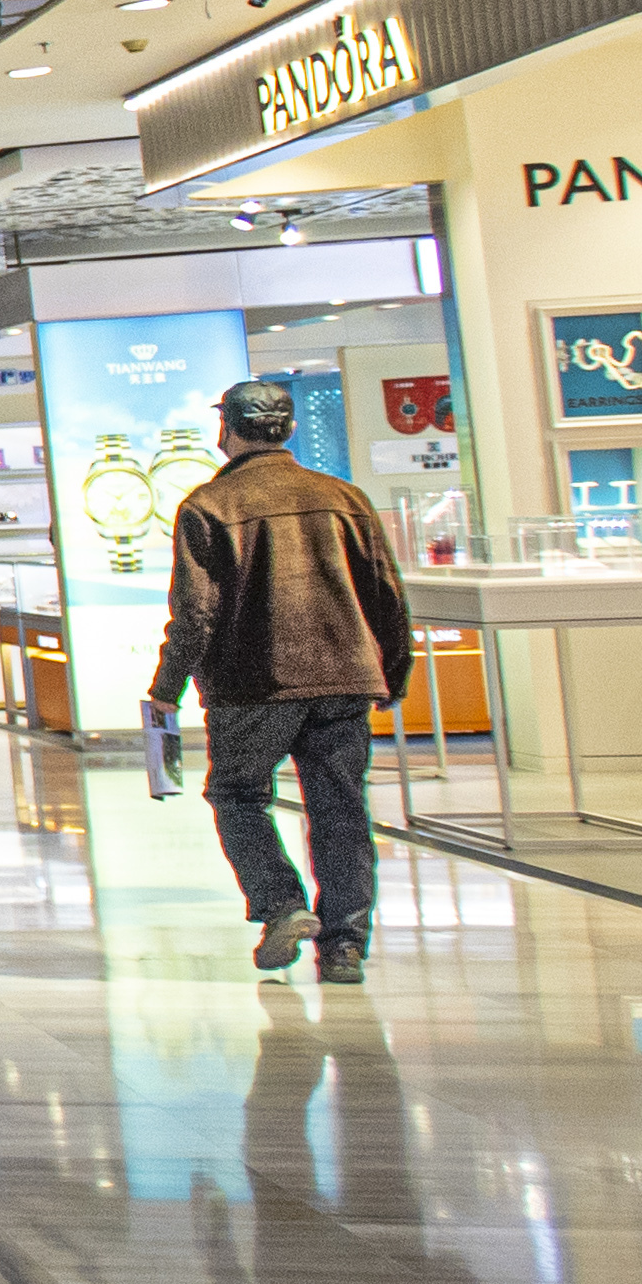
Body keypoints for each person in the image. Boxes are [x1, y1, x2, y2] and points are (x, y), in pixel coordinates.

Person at [144, 377, 417, 985]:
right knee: (341, 809)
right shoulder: (343, 497)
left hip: (253, 684)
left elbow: (197, 613)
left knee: (238, 797)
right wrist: (391, 673)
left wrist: (168, 686)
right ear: (288, 428)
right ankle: (344, 946)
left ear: (228, 430)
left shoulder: (210, 506)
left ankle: (283, 905)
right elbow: (386, 594)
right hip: (343, 678)